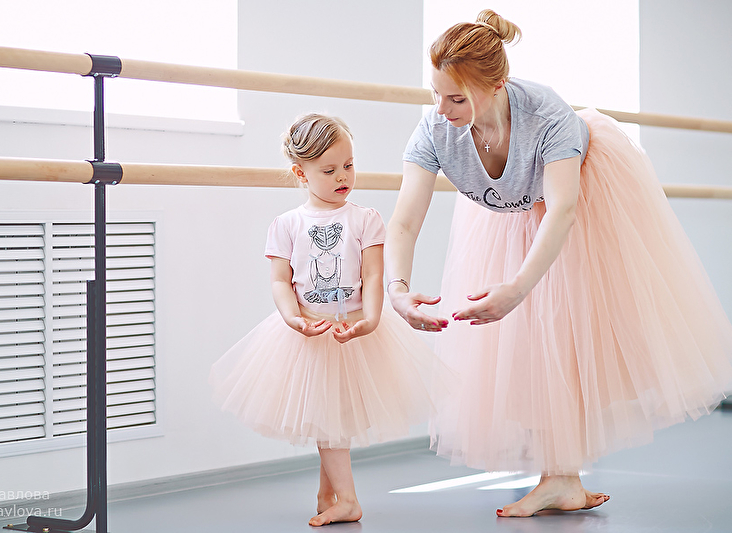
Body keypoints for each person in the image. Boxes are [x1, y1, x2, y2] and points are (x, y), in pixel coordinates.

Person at [385, 9, 732, 518]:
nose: (442, 109)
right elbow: (404, 220)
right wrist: (396, 289)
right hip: (510, 209)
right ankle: (562, 479)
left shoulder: (546, 116)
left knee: (563, 330)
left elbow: (562, 210)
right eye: (435, 93)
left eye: (457, 98)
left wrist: (517, 287)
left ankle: (562, 478)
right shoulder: (436, 128)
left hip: (583, 203)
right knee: (526, 344)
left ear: (498, 86)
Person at [210, 113, 441, 526]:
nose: (343, 176)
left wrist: (372, 318)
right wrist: (292, 319)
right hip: (311, 331)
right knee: (328, 417)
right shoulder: (287, 224)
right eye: (329, 170)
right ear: (301, 173)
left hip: (354, 328)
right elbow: (280, 281)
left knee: (335, 418)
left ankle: (340, 498)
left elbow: (373, 275)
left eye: (349, 165)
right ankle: (334, 495)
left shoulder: (365, 218)